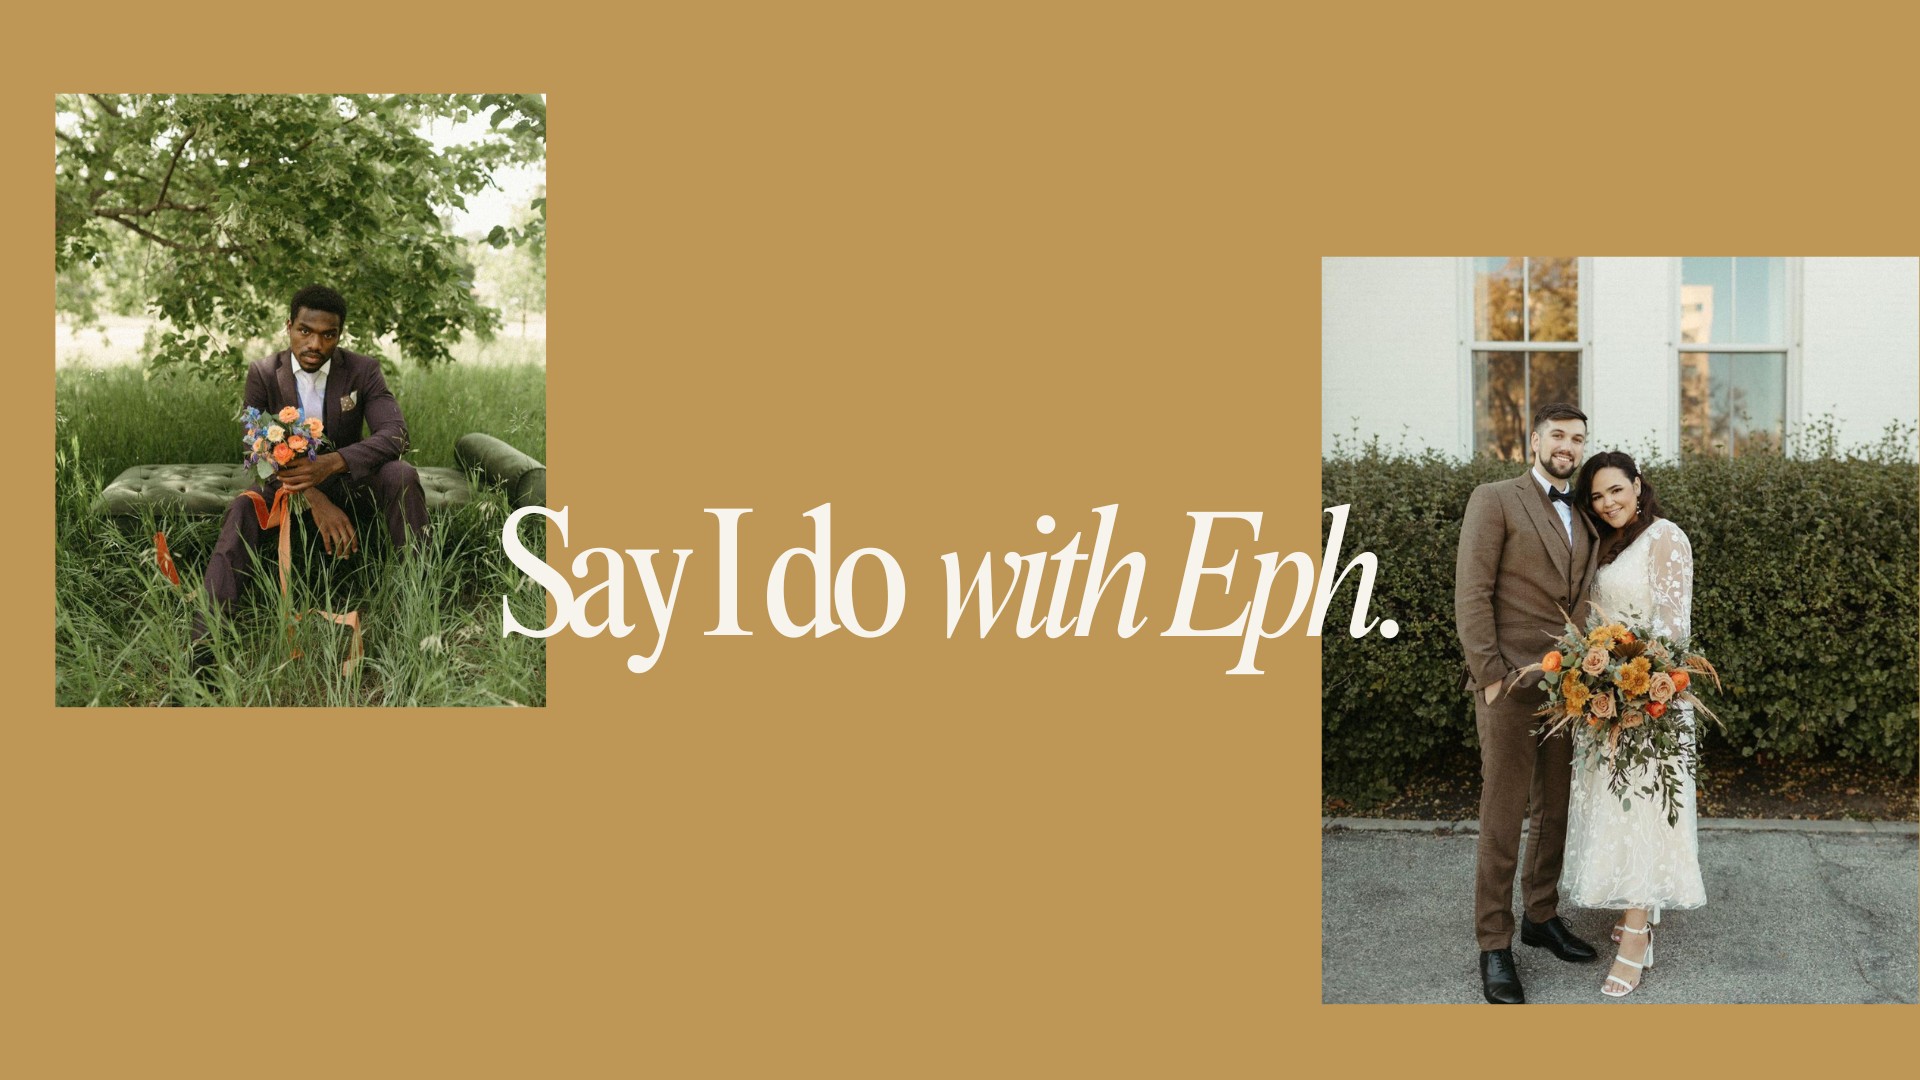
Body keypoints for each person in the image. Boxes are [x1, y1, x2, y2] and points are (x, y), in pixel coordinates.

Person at [1454, 402, 1602, 1004]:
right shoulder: (1495, 499)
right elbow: (1472, 591)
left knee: (1556, 810)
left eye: (1579, 438)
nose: (1568, 445)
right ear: (1534, 440)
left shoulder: (1587, 514)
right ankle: (1495, 944)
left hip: (1570, 690)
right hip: (1510, 688)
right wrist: (1490, 677)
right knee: (1503, 815)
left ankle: (1541, 917)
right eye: (1559, 435)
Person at [193, 285, 428, 658]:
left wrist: (331, 464)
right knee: (242, 507)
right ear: (289, 327)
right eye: (305, 330)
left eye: (327, 334)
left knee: (401, 474)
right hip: (291, 486)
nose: (315, 343)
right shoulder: (264, 373)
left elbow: (396, 434)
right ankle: (205, 646)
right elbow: (256, 449)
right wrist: (314, 498)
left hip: (350, 481)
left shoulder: (363, 370)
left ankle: (419, 609)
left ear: (339, 335)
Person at [1560, 451, 1705, 998]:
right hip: (1607, 695)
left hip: (1652, 697)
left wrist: (1643, 686)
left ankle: (1637, 936)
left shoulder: (1666, 536)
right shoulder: (1608, 543)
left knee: (1646, 808)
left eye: (1616, 490)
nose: (1608, 503)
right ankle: (1631, 907)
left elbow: (1673, 625)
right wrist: (1596, 680)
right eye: (1596, 497)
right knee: (1615, 807)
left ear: (1638, 485)